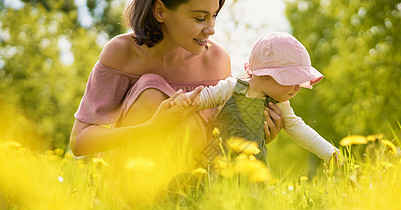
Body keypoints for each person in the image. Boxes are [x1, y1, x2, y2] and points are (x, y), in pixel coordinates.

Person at [69, 0, 283, 161]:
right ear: (160, 10)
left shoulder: (217, 61)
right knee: (151, 89)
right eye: (200, 18)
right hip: (131, 173)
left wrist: (257, 135)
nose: (211, 28)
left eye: (214, 15)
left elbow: (220, 141)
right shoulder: (122, 53)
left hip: (191, 179)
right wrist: (150, 129)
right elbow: (80, 142)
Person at [169, 32, 339, 166]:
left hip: (254, 168)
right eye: (291, 80)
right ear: (265, 75)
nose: (297, 87)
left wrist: (330, 153)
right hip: (216, 160)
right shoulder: (231, 88)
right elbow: (203, 98)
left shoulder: (280, 105)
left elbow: (301, 130)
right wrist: (184, 100)